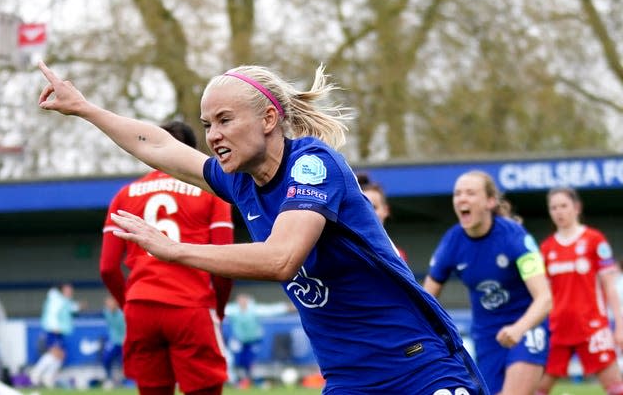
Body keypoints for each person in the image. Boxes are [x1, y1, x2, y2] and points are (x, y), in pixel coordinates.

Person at [37, 60, 490, 394]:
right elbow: (157, 144)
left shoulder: (313, 165)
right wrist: (84, 108)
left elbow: (280, 258)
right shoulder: (240, 182)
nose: (213, 135)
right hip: (349, 380)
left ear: (269, 119)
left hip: (416, 367)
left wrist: (175, 250)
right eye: (207, 124)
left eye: (225, 120)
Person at [99, 120, 235, 395]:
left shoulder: (124, 195)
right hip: (190, 305)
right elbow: (225, 263)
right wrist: (217, 309)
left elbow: (107, 268)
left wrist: (131, 306)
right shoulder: (212, 193)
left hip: (141, 307)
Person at [423, 170, 552, 395]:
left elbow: (545, 297)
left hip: (526, 326)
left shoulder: (515, 236)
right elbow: (425, 299)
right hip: (486, 335)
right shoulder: (452, 241)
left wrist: (519, 328)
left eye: (471, 193)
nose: (462, 199)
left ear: (490, 202)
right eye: (458, 194)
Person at [536, 187, 623, 395]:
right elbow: (541, 294)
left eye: (563, 206)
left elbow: (610, 287)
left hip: (592, 328)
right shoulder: (547, 249)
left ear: (576, 208)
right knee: (538, 388)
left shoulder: (595, 240)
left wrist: (620, 325)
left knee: (616, 388)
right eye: (553, 207)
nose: (559, 212)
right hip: (558, 329)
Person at [29, 282, 82, 388]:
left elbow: (70, 308)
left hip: (59, 331)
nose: (70, 292)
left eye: (71, 290)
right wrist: (55, 327)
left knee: (61, 355)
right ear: (62, 290)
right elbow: (52, 314)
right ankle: (35, 373)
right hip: (53, 330)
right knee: (55, 353)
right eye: (68, 290)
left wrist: (78, 307)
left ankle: (47, 378)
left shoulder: (64, 301)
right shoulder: (56, 300)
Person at [357, 172, 408, 262]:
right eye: (363, 208)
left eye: (374, 207)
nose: (369, 213)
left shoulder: (398, 256)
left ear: (386, 211)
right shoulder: (343, 251)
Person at [227, 294, 263, 389]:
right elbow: (220, 309)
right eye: (240, 300)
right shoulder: (233, 310)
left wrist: (285, 308)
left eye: (244, 300)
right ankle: (238, 381)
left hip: (253, 341)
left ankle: (256, 381)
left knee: (251, 362)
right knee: (237, 361)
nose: (242, 302)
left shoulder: (253, 309)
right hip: (239, 341)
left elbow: (269, 310)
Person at [101, 295, 125, 389]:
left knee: (125, 364)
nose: (109, 305)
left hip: (124, 342)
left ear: (116, 303)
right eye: (107, 303)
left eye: (111, 302)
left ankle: (124, 381)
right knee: (106, 359)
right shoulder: (106, 312)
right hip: (114, 341)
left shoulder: (122, 314)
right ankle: (109, 379)